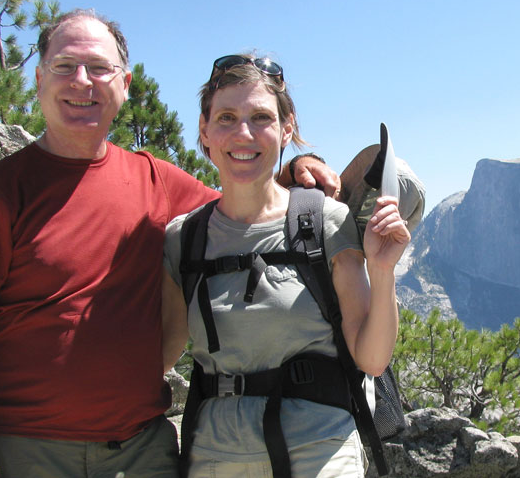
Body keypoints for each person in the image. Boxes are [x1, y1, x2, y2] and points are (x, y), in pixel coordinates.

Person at [0, 10, 337, 478]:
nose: (83, 82)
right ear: (39, 79)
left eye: (99, 68)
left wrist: (296, 165)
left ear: (123, 84)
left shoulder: (155, 181)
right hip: (27, 452)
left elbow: (245, 205)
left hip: (142, 452)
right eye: (65, 66)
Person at [160, 54, 410, 477]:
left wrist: (382, 273)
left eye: (260, 117)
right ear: (205, 132)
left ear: (286, 127)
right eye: (226, 117)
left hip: (321, 453)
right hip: (215, 458)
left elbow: (371, 359)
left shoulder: (324, 222)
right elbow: (159, 356)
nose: (244, 133)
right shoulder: (184, 238)